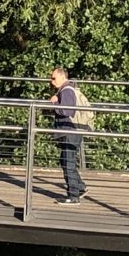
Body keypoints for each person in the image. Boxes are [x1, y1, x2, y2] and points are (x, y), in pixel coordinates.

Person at [47, 67, 88, 202]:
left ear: (62, 77)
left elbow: (67, 111)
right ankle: (79, 187)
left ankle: (73, 196)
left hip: (70, 131)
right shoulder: (68, 89)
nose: (52, 82)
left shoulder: (67, 91)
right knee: (65, 161)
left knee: (68, 162)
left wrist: (54, 103)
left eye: (54, 78)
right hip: (72, 130)